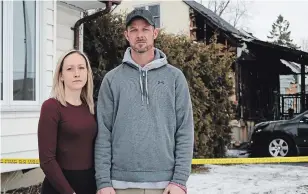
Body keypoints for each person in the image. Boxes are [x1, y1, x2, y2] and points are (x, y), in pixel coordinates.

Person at [95, 9, 194, 194]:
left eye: (145, 29)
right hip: (120, 186)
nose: (140, 35)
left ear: (154, 33)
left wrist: (179, 180)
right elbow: (103, 133)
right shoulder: (112, 79)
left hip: (166, 186)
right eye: (133, 30)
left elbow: (185, 130)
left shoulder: (175, 78)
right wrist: (103, 182)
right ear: (126, 35)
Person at [37, 49, 97, 194]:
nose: (77, 73)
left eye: (81, 68)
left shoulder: (92, 107)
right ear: (61, 75)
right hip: (60, 187)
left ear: (88, 73)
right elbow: (47, 160)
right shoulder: (52, 107)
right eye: (70, 69)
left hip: (89, 185)